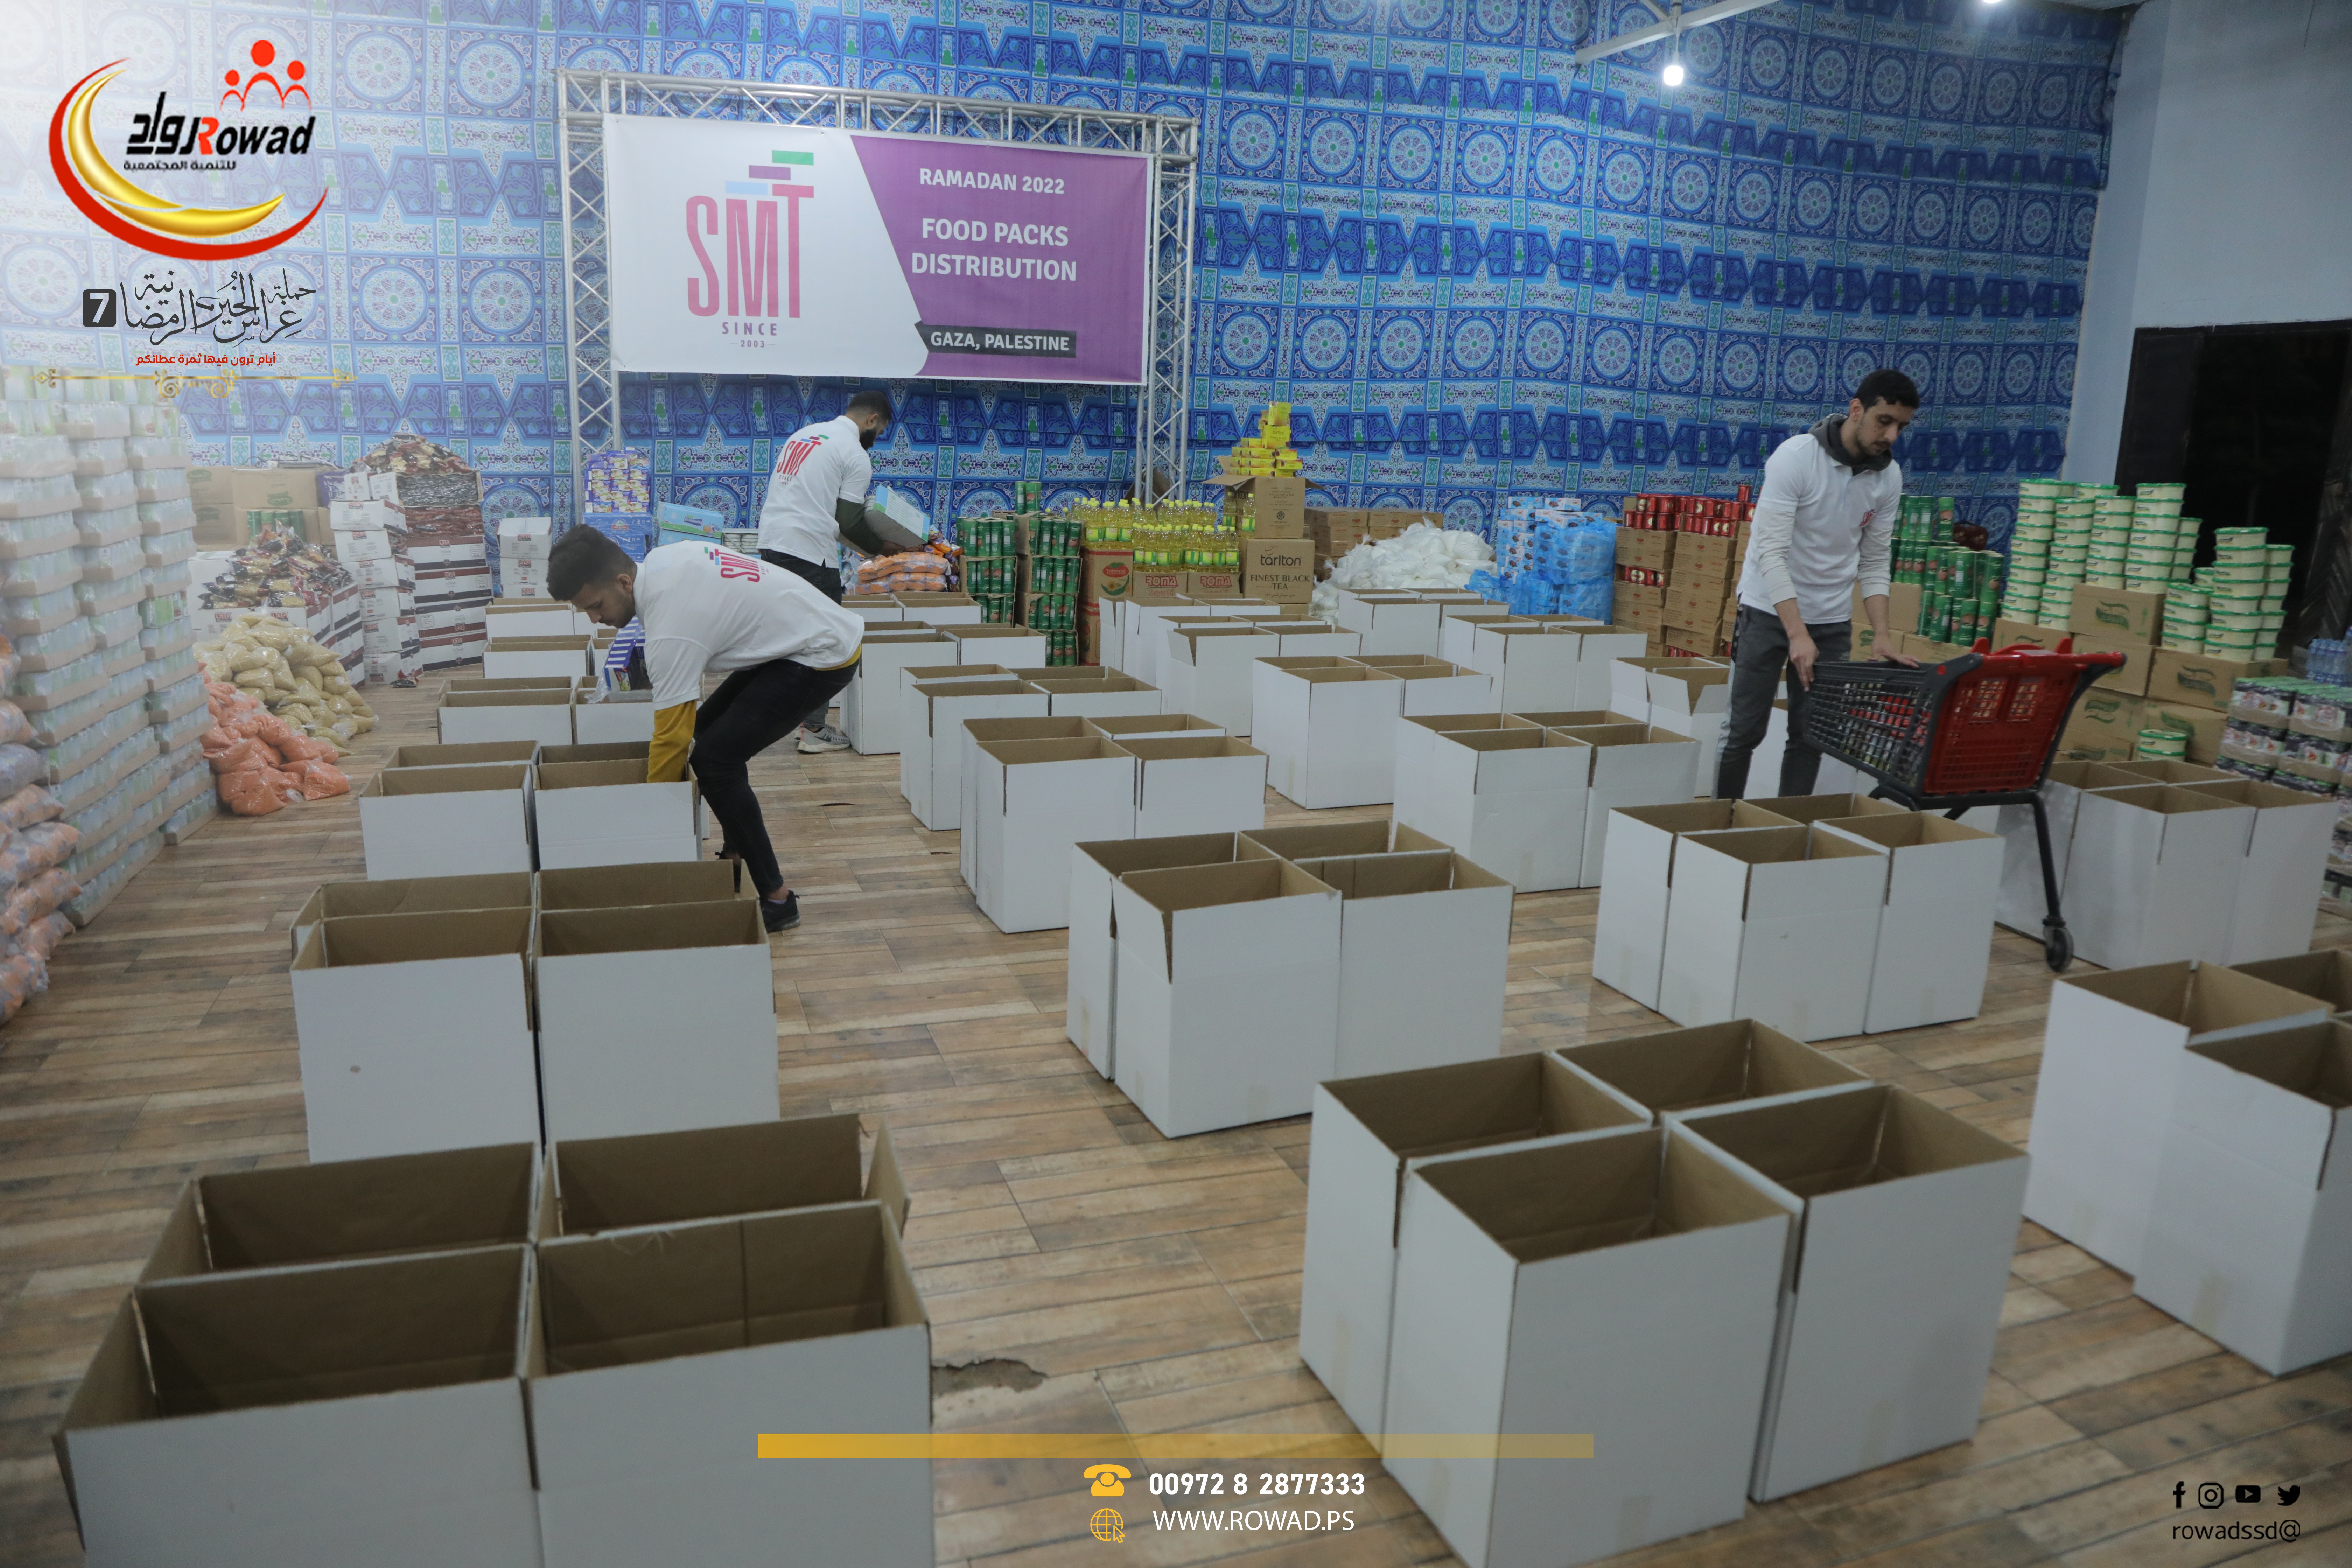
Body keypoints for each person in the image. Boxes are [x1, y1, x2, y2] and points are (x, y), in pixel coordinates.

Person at [549, 527, 863, 934]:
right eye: (585, 612)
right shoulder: (662, 562)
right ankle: (736, 855)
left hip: (823, 654)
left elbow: (671, 741)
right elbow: (684, 732)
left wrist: (651, 824)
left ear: (624, 582)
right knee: (708, 736)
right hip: (799, 637)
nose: (596, 619)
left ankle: (777, 899)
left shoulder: (670, 626)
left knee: (715, 761)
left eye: (596, 605)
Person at [1714, 368, 1923, 799]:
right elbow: (1771, 554)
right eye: (1884, 421)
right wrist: (1796, 633)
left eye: (1901, 427)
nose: (1892, 436)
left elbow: (1875, 560)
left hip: (1830, 620)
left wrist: (1882, 635)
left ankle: (1787, 826)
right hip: (1768, 610)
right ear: (1856, 410)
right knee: (1744, 731)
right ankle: (1721, 819)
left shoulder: (1889, 477)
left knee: (1811, 735)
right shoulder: (1796, 458)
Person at [756, 388, 925, 751]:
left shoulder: (804, 435)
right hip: (809, 554)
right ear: (872, 420)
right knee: (830, 640)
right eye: (880, 432)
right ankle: (815, 730)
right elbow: (848, 521)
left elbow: (829, 515)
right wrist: (882, 548)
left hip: (772, 545)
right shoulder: (855, 454)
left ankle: (786, 720)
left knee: (791, 640)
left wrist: (867, 547)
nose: (876, 440)